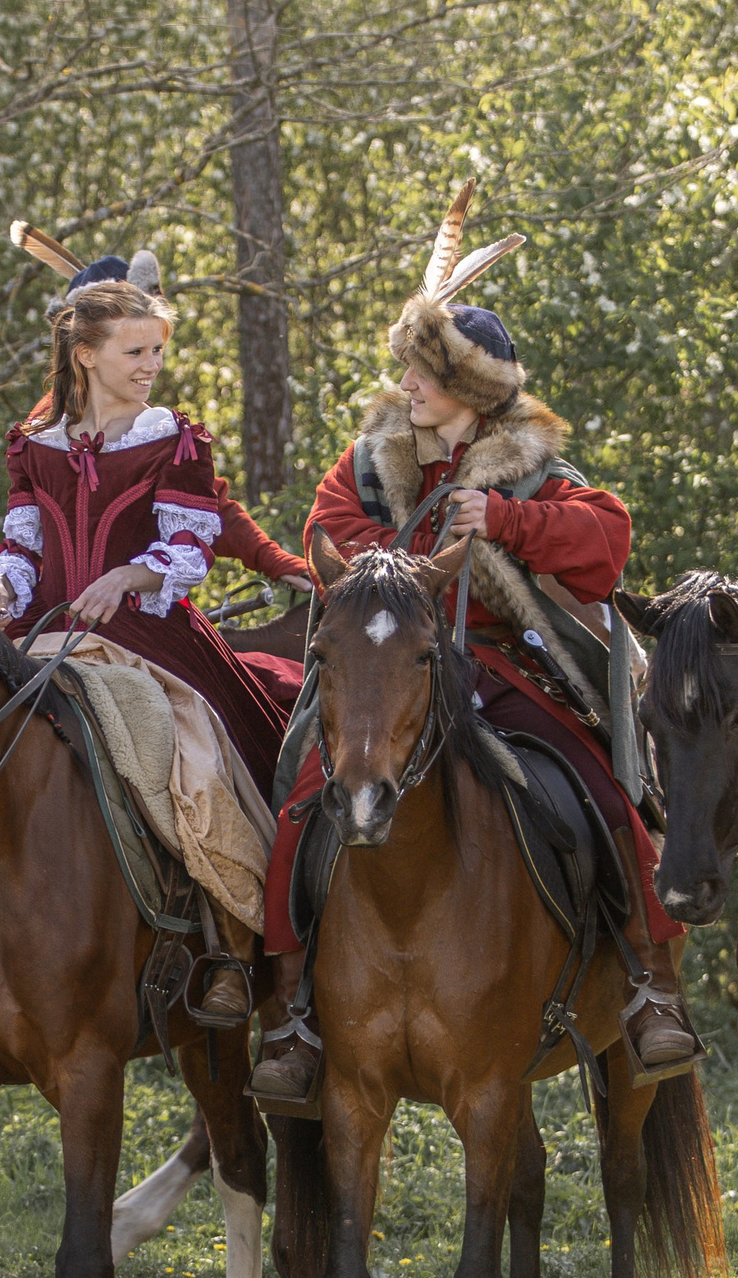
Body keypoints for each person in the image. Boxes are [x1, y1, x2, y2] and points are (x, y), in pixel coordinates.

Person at [246, 183, 700, 1106]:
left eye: (423, 373)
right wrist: (404, 576)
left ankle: (652, 986)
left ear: (470, 391)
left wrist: (503, 518)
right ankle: (290, 1012)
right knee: (300, 796)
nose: (405, 386)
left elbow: (606, 544)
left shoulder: (531, 466)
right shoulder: (374, 457)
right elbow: (323, 529)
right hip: (391, 666)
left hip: (499, 664)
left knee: (605, 788)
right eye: (410, 372)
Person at [0, 242, 294, 1022]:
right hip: (46, 628)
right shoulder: (35, 446)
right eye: (136, 351)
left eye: (158, 349)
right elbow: (22, 546)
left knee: (191, 757)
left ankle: (227, 940)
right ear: (84, 355)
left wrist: (127, 575)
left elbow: (188, 547)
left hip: (147, 634)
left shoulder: (171, 437)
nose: (152, 364)